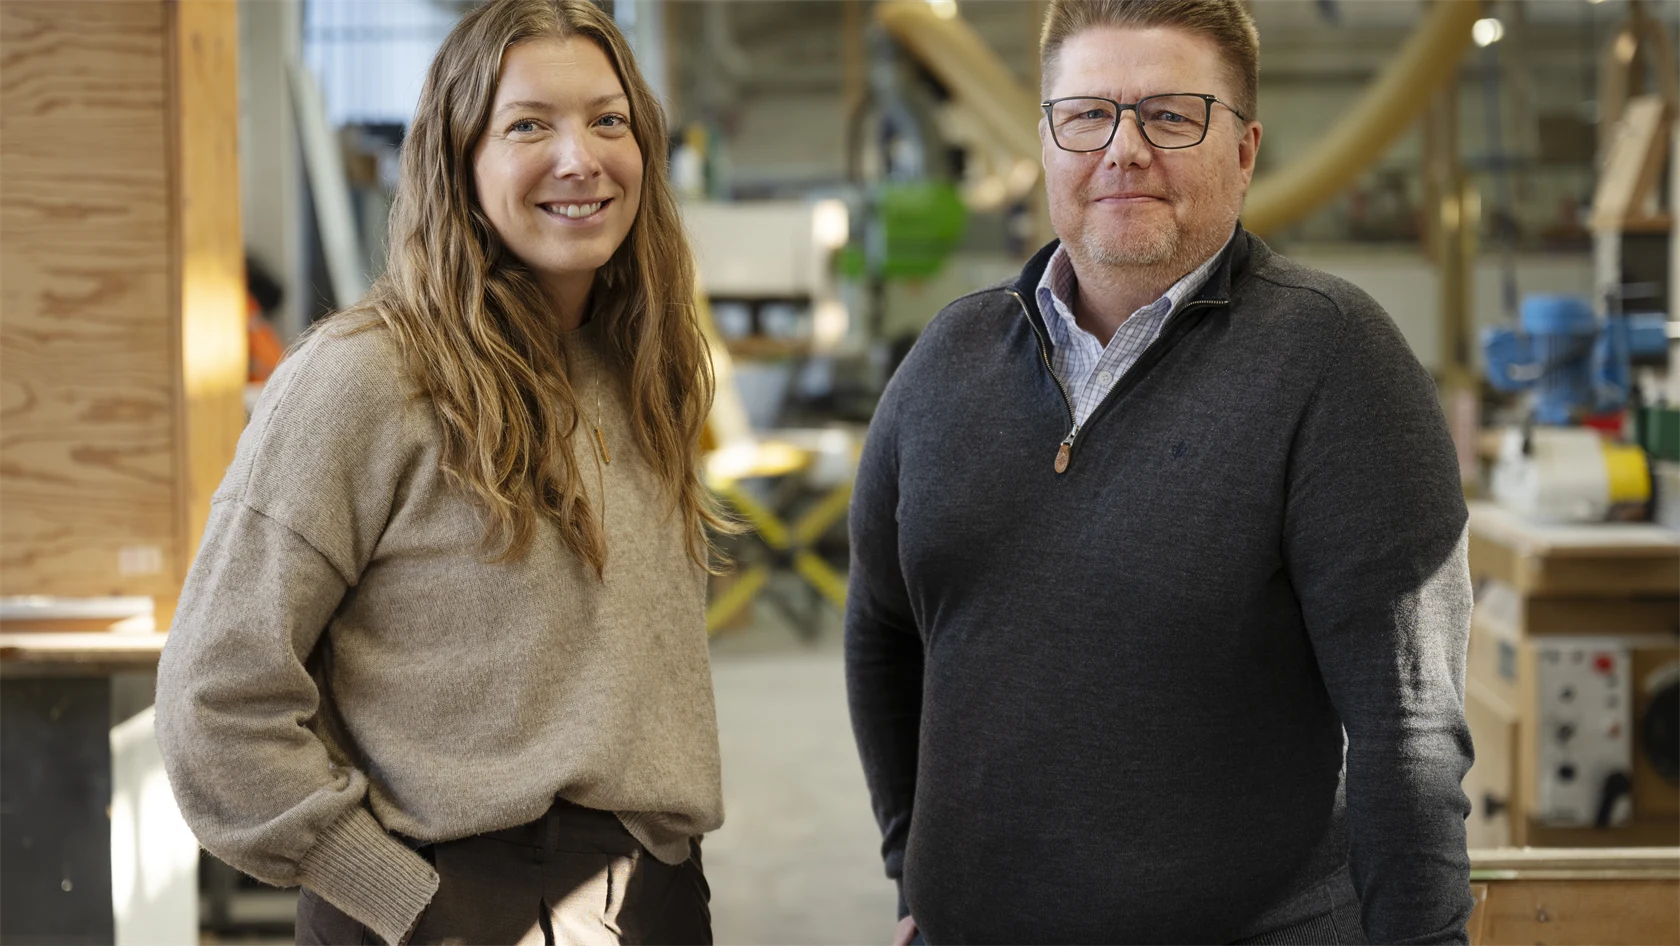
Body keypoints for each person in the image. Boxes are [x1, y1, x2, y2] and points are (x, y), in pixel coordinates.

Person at [844, 1, 1475, 944]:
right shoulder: (948, 356)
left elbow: (1408, 731)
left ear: (1245, 151)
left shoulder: (1336, 362)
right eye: (1087, 115)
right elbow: (881, 627)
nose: (1124, 150)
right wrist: (912, 875)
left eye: (1171, 116)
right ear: (1047, 142)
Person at [155, 1, 729, 944]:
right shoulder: (365, 378)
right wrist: (397, 896)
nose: (580, 157)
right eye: (529, 125)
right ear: (458, 161)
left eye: (608, 119)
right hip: (446, 901)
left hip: (649, 893)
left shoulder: (643, 369)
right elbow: (215, 697)